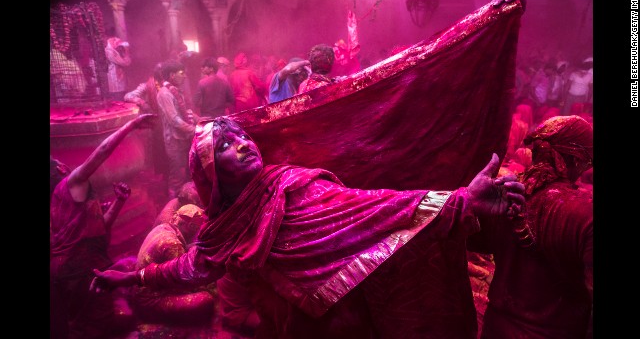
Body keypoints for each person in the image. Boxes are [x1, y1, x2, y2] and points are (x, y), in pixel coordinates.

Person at [92, 116, 525, 339]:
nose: (243, 143)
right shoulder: (224, 230)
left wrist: (460, 201)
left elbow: (372, 208)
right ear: (211, 172)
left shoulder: (292, 183)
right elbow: (187, 270)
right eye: (225, 145)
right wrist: (129, 277)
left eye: (242, 136)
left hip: (345, 322)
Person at [467, 115, 593, 338]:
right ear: (574, 159)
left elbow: (476, 241)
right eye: (587, 161)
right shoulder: (585, 211)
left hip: (496, 328)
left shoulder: (504, 193)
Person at [50, 113, 156, 339]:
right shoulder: (71, 184)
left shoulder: (63, 199)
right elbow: (101, 152)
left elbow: (99, 230)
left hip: (67, 269)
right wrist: (130, 125)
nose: (65, 165)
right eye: (60, 163)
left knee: (78, 322)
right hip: (79, 270)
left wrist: (119, 201)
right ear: (59, 171)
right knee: (93, 325)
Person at [132, 204, 217, 338]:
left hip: (140, 291)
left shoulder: (163, 228)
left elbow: (185, 248)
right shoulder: (173, 245)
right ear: (191, 228)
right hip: (150, 301)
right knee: (206, 299)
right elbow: (187, 280)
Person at [156, 59, 197, 199]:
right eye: (181, 73)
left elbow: (186, 113)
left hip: (184, 139)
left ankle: (184, 203)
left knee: (186, 173)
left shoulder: (175, 91)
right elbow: (174, 120)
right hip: (174, 142)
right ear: (172, 75)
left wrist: (201, 120)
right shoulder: (164, 94)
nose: (185, 76)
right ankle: (172, 209)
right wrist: (193, 129)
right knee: (176, 177)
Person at [124, 62, 168, 177]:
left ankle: (166, 173)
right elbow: (128, 96)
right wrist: (143, 103)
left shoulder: (168, 85)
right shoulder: (146, 86)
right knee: (158, 147)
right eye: (160, 72)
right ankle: (161, 173)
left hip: (167, 120)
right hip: (155, 121)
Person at [105, 36, 132, 101]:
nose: (118, 45)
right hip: (116, 85)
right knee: (120, 102)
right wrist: (127, 52)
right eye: (117, 43)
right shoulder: (110, 52)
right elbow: (126, 63)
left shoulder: (112, 51)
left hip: (118, 85)